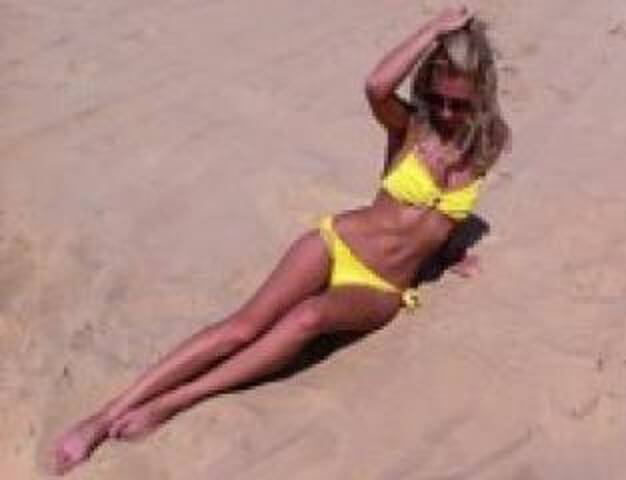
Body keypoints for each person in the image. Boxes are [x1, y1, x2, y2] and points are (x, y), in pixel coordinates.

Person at [51, 6, 510, 475]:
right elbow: (375, 85)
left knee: (308, 317)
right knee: (241, 328)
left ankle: (173, 402)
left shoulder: (490, 144)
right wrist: (432, 30)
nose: (446, 113)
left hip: (381, 288)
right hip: (339, 241)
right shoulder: (410, 126)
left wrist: (451, 252)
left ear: (482, 94)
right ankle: (102, 418)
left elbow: (446, 217)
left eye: (459, 104)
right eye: (438, 99)